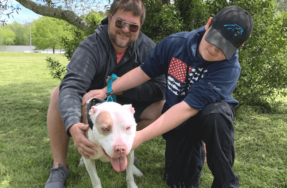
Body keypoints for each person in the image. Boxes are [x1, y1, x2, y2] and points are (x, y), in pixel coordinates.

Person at [85, 5, 253, 188]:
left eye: (224, 48)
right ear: (209, 24)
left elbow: (187, 108)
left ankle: (226, 182)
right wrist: (107, 89)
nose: (214, 50)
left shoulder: (229, 68)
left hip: (207, 119)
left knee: (217, 114)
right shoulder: (175, 44)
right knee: (178, 183)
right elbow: (143, 72)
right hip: (178, 122)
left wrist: (138, 137)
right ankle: (192, 153)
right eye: (214, 39)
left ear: (239, 46)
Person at [44, 0, 166, 187]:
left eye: (133, 26)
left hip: (128, 103)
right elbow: (72, 86)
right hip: (92, 107)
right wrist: (73, 125)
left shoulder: (148, 47)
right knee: (58, 93)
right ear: (109, 19)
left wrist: (121, 87)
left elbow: (160, 87)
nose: (126, 29)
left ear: (140, 27)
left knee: (162, 106)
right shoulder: (92, 45)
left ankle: (123, 148)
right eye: (120, 23)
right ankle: (60, 166)